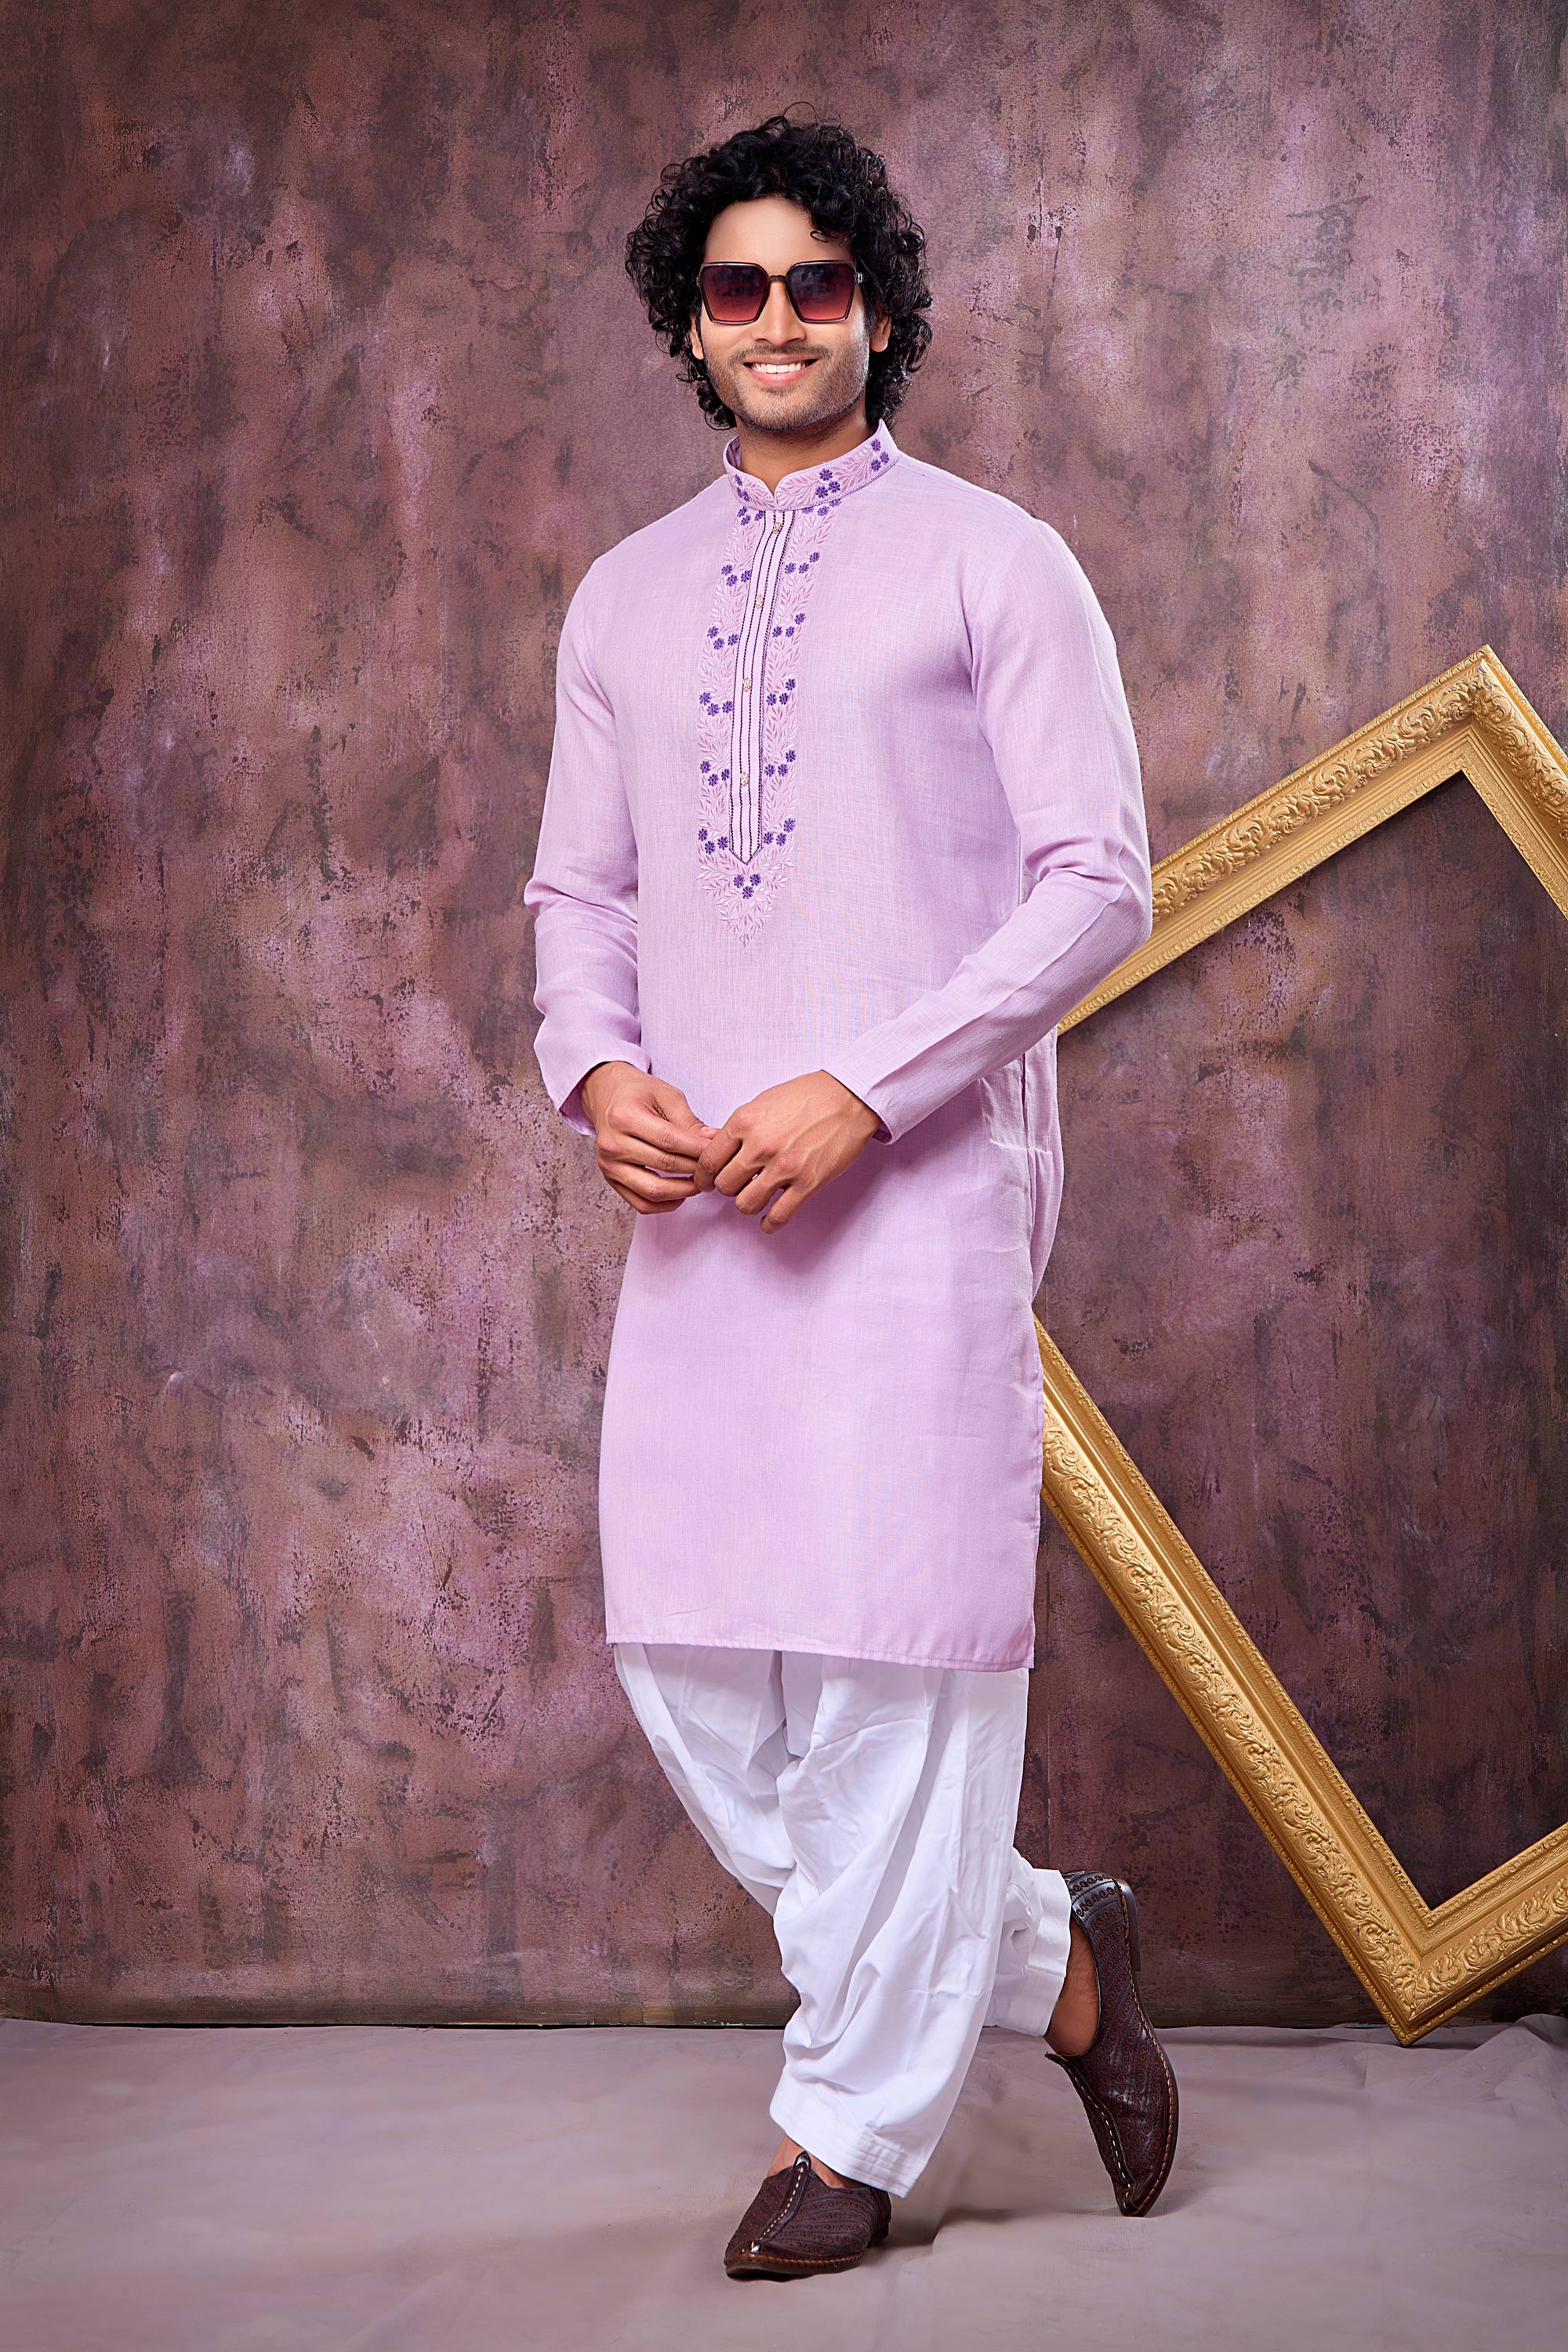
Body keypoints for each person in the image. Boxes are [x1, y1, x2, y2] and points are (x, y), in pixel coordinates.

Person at [523, 112, 1177, 2281]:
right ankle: (1054, 1959)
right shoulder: (623, 598)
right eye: (741, 287)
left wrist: (868, 1096)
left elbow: (1098, 880)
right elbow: (579, 895)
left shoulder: (998, 561)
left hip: (917, 1197)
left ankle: (847, 2137)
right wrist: (596, 1069)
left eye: (820, 283)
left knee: (898, 1664)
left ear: (878, 310)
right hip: (702, 1213)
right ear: (694, 327)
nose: (782, 319)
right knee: (700, 1662)